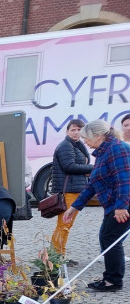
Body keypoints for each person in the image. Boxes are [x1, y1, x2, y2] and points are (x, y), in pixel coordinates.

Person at [61, 119, 130, 292]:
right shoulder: (103, 152)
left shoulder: (116, 149)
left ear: (98, 136)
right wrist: (75, 206)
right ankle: (111, 277)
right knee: (107, 237)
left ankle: (113, 281)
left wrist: (121, 206)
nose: (85, 141)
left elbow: (124, 180)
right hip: (113, 203)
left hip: (122, 203)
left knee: (110, 239)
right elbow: (92, 184)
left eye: (87, 138)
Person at [48, 119, 92, 260]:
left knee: (66, 224)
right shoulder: (66, 146)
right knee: (64, 224)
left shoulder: (77, 145)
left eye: (79, 130)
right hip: (69, 190)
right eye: (73, 129)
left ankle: (57, 255)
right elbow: (69, 166)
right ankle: (56, 257)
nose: (76, 132)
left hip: (75, 188)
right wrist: (93, 168)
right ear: (67, 131)